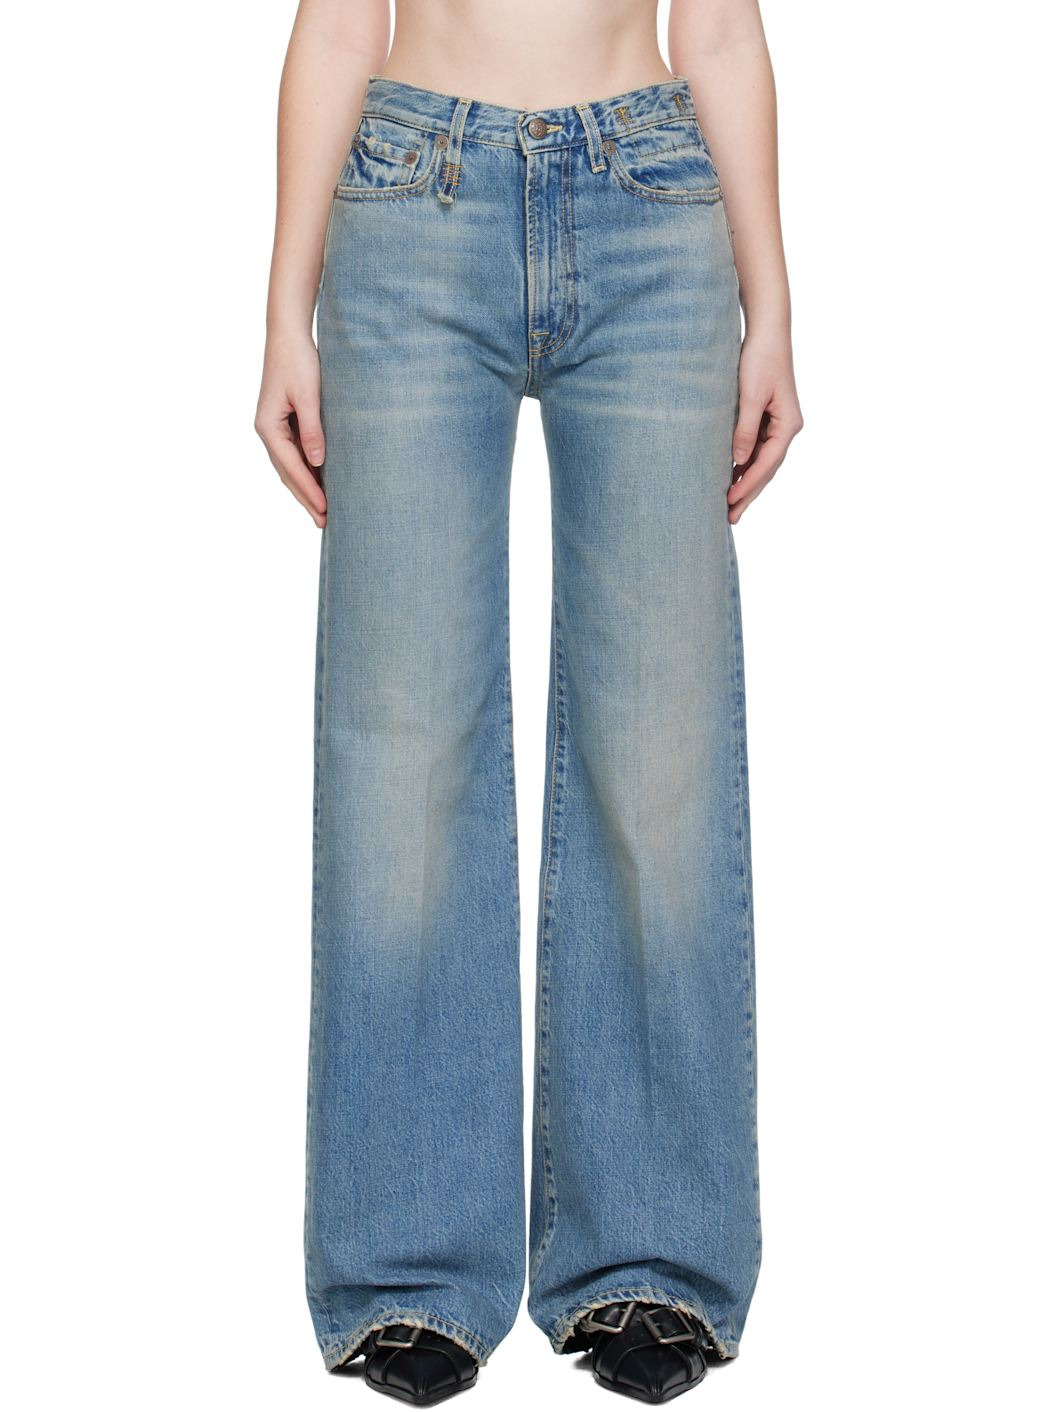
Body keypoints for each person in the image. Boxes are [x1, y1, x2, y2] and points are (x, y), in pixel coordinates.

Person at [255, 0, 801, 1403]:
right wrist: (282, 316)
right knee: (401, 743)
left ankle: (652, 1255)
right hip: (410, 202)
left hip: (654, 207)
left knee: (661, 745)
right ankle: (408, 1265)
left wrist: (774, 312)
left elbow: (720, 33)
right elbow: (337, 26)